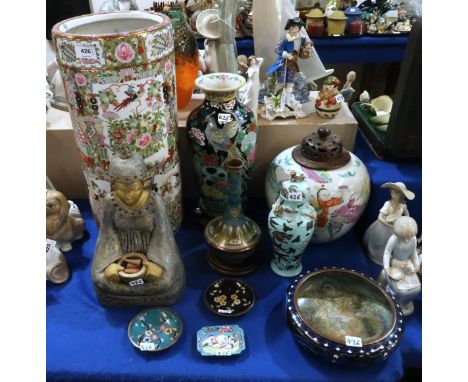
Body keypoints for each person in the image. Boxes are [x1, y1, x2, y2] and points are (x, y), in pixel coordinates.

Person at [266, 17, 313, 108]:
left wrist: (308, 47)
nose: (294, 30)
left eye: (296, 28)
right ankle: (276, 99)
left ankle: (287, 102)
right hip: (283, 62)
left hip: (292, 64)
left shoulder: (302, 38)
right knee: (281, 82)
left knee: (290, 83)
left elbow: (306, 45)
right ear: (289, 29)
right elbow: (277, 49)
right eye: (292, 28)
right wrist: (286, 54)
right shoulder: (285, 39)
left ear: (299, 29)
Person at [363, 182, 414, 265]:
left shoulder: (403, 205)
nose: (394, 195)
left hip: (398, 227)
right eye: (392, 192)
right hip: (384, 226)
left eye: (397, 193)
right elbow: (380, 217)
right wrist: (388, 225)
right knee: (382, 243)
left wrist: (406, 222)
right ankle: (381, 257)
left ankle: (394, 259)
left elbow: (407, 215)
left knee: (397, 244)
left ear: (401, 195)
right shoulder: (388, 204)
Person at [378, 216, 421, 315]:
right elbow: (387, 253)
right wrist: (387, 267)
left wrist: (416, 266)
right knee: (401, 291)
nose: (407, 239)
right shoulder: (394, 239)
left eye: (409, 236)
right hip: (395, 263)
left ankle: (402, 302)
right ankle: (395, 302)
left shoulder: (413, 239)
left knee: (417, 288)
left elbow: (414, 253)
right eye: (404, 236)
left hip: (407, 264)